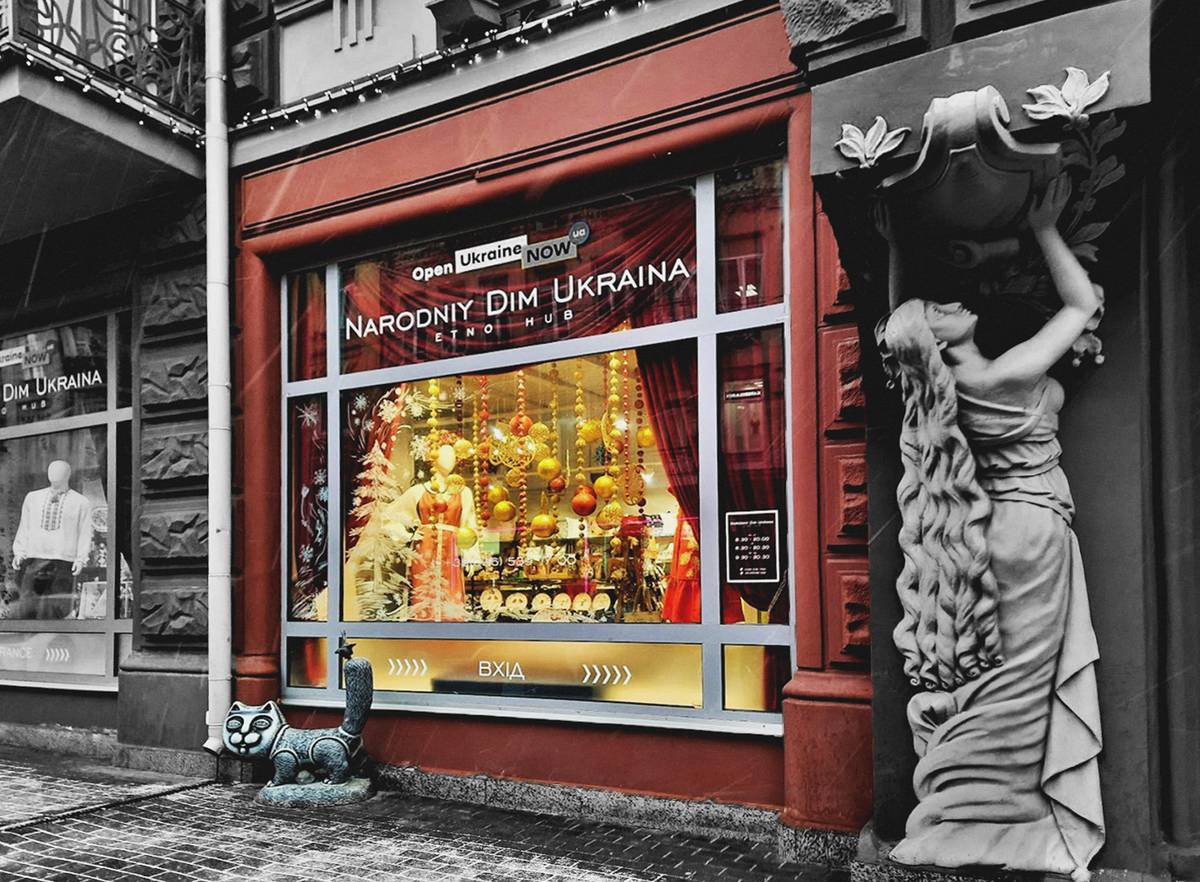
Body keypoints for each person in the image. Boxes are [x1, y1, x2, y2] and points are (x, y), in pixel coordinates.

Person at [876, 175, 1104, 880]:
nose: (952, 304)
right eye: (940, 312)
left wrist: (896, 250)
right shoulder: (1006, 374)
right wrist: (1044, 226)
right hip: (1034, 531)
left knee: (1005, 681)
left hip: (997, 535)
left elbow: (900, 331)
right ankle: (1016, 821)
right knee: (1026, 685)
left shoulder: (940, 391)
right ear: (938, 343)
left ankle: (977, 806)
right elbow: (1082, 305)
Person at [11, 460, 93, 619]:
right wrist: (19, 552)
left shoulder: (81, 502)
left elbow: (85, 533)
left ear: (68, 474)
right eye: (52, 470)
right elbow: (25, 526)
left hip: (63, 560)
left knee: (56, 610)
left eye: (60, 470)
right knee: (28, 608)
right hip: (34, 559)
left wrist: (80, 558)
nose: (54, 474)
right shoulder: (33, 498)